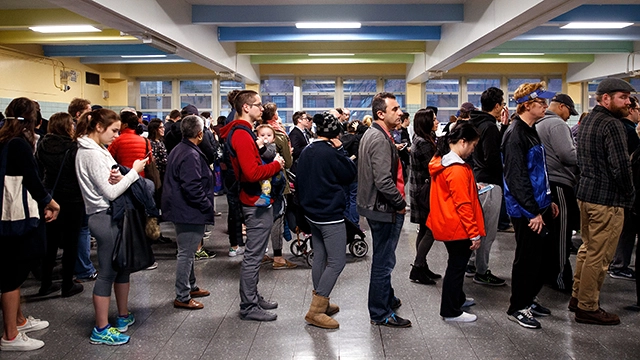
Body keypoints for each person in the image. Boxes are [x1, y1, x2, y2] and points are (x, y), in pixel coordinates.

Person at [75, 108, 148, 345]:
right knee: (107, 272)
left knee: (121, 267)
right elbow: (110, 191)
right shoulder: (90, 154)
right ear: (98, 127)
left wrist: (119, 176)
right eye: (114, 130)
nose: (116, 136)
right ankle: (101, 328)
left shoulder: (99, 150)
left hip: (111, 214)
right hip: (103, 216)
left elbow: (109, 180)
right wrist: (133, 173)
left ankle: (122, 316)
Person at [572, 78, 636, 325]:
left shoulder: (588, 121)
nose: (628, 102)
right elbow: (621, 167)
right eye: (623, 97)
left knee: (587, 249)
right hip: (607, 200)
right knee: (600, 256)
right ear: (605, 98)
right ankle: (588, 306)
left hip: (586, 196)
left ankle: (578, 297)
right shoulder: (613, 125)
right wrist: (630, 196)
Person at [0, 98, 60, 352]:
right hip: (18, 216)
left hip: (9, 214)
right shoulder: (20, 145)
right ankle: (10, 336)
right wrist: (51, 203)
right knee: (13, 275)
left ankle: (19, 320)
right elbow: (32, 180)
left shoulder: (4, 138)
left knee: (12, 270)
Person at [220, 90, 285, 322]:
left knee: (256, 255)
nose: (261, 109)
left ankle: (253, 296)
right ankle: (248, 305)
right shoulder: (241, 134)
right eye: (257, 105)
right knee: (253, 256)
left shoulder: (245, 132)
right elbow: (252, 173)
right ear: (246, 107)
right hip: (253, 200)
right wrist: (276, 165)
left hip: (255, 198)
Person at [502, 82, 559, 329]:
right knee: (526, 258)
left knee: (539, 259)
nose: (546, 106)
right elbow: (516, 178)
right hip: (525, 210)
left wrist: (548, 201)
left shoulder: (531, 130)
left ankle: (529, 297)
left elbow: (538, 172)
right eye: (541, 103)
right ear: (527, 105)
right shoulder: (515, 134)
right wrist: (532, 212)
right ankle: (518, 306)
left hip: (539, 205)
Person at [298, 112, 357, 329]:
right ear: (335, 134)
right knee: (337, 262)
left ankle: (322, 300)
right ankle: (316, 310)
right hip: (330, 215)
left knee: (320, 257)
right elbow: (350, 174)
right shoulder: (332, 154)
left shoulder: (307, 151)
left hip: (311, 214)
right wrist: (341, 149)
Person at [357, 92, 411, 328]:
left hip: (377, 205)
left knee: (385, 256)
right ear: (381, 113)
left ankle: (387, 297)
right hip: (384, 208)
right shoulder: (378, 138)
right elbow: (383, 181)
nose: (400, 113)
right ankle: (380, 312)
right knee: (383, 261)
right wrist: (400, 204)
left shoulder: (376, 134)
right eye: (395, 109)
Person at [428, 121, 484, 322]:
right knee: (456, 267)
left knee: (455, 265)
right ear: (463, 142)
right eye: (473, 145)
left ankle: (457, 298)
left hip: (445, 221)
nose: (472, 150)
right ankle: (451, 311)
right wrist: (474, 232)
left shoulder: (441, 161)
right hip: (457, 225)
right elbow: (463, 205)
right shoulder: (457, 169)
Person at [163, 115, 214, 310]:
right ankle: (182, 296)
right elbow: (192, 186)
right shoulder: (190, 154)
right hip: (188, 210)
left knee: (189, 251)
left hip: (183, 209)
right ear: (200, 134)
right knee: (185, 253)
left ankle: (191, 286)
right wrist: (205, 205)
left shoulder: (181, 148)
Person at [36, 112, 85, 298]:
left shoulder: (42, 145)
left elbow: (40, 170)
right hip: (72, 198)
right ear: (67, 126)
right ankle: (67, 284)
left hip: (50, 196)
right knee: (71, 243)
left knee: (50, 243)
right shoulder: (73, 148)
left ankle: (45, 283)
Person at [535, 94, 580, 292]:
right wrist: (584, 152)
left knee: (548, 234)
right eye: (569, 111)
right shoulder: (557, 124)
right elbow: (568, 154)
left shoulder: (538, 123)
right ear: (562, 106)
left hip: (544, 184)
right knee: (562, 234)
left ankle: (546, 274)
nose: (568, 116)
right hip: (559, 184)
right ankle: (561, 277)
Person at [467, 88, 507, 286]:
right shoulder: (490, 127)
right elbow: (492, 158)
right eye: (502, 104)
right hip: (489, 182)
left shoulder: (475, 122)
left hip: (476, 178)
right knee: (487, 230)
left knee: (477, 225)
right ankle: (482, 271)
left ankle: (472, 263)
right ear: (497, 105)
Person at [261, 103, 296, 269]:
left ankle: (260, 253)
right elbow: (288, 162)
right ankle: (278, 257)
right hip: (277, 182)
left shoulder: (257, 133)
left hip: (259, 185)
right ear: (274, 115)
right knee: (277, 220)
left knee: (260, 220)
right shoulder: (279, 135)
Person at [408, 108, 441, 285]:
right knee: (431, 230)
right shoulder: (425, 143)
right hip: (425, 192)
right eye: (434, 119)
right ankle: (418, 267)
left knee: (424, 228)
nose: (437, 122)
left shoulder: (419, 139)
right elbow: (434, 167)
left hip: (419, 190)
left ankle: (422, 265)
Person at [609, 95, 640, 281]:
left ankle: (618, 263)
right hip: (628, 187)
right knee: (627, 229)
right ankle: (619, 265)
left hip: (625, 187)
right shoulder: (627, 131)